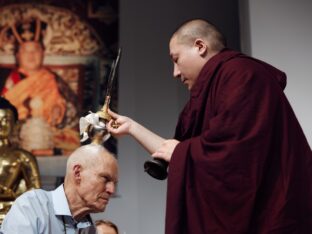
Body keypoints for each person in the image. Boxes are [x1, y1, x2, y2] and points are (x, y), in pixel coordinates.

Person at [107, 19, 312, 233]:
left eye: (176, 59)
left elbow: (236, 156)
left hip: (270, 214)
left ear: (200, 46)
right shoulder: (210, 90)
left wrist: (182, 152)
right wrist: (131, 127)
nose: (174, 72)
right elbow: (177, 154)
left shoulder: (243, 75)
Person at [0, 18, 80, 153]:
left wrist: (59, 111)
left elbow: (72, 112)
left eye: (36, 49)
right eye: (26, 50)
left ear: (43, 53)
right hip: (14, 137)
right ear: (18, 55)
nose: (31, 55)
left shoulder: (52, 79)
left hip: (48, 135)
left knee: (73, 140)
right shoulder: (6, 78)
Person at [0, 144, 118, 233]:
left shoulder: (89, 228)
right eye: (105, 178)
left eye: (114, 183)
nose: (111, 190)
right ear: (78, 173)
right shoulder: (32, 206)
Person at [0, 97, 41, 223]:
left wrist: (11, 196)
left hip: (9, 214)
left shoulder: (23, 157)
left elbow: (36, 194)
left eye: (6, 120)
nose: (1, 124)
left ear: (16, 125)